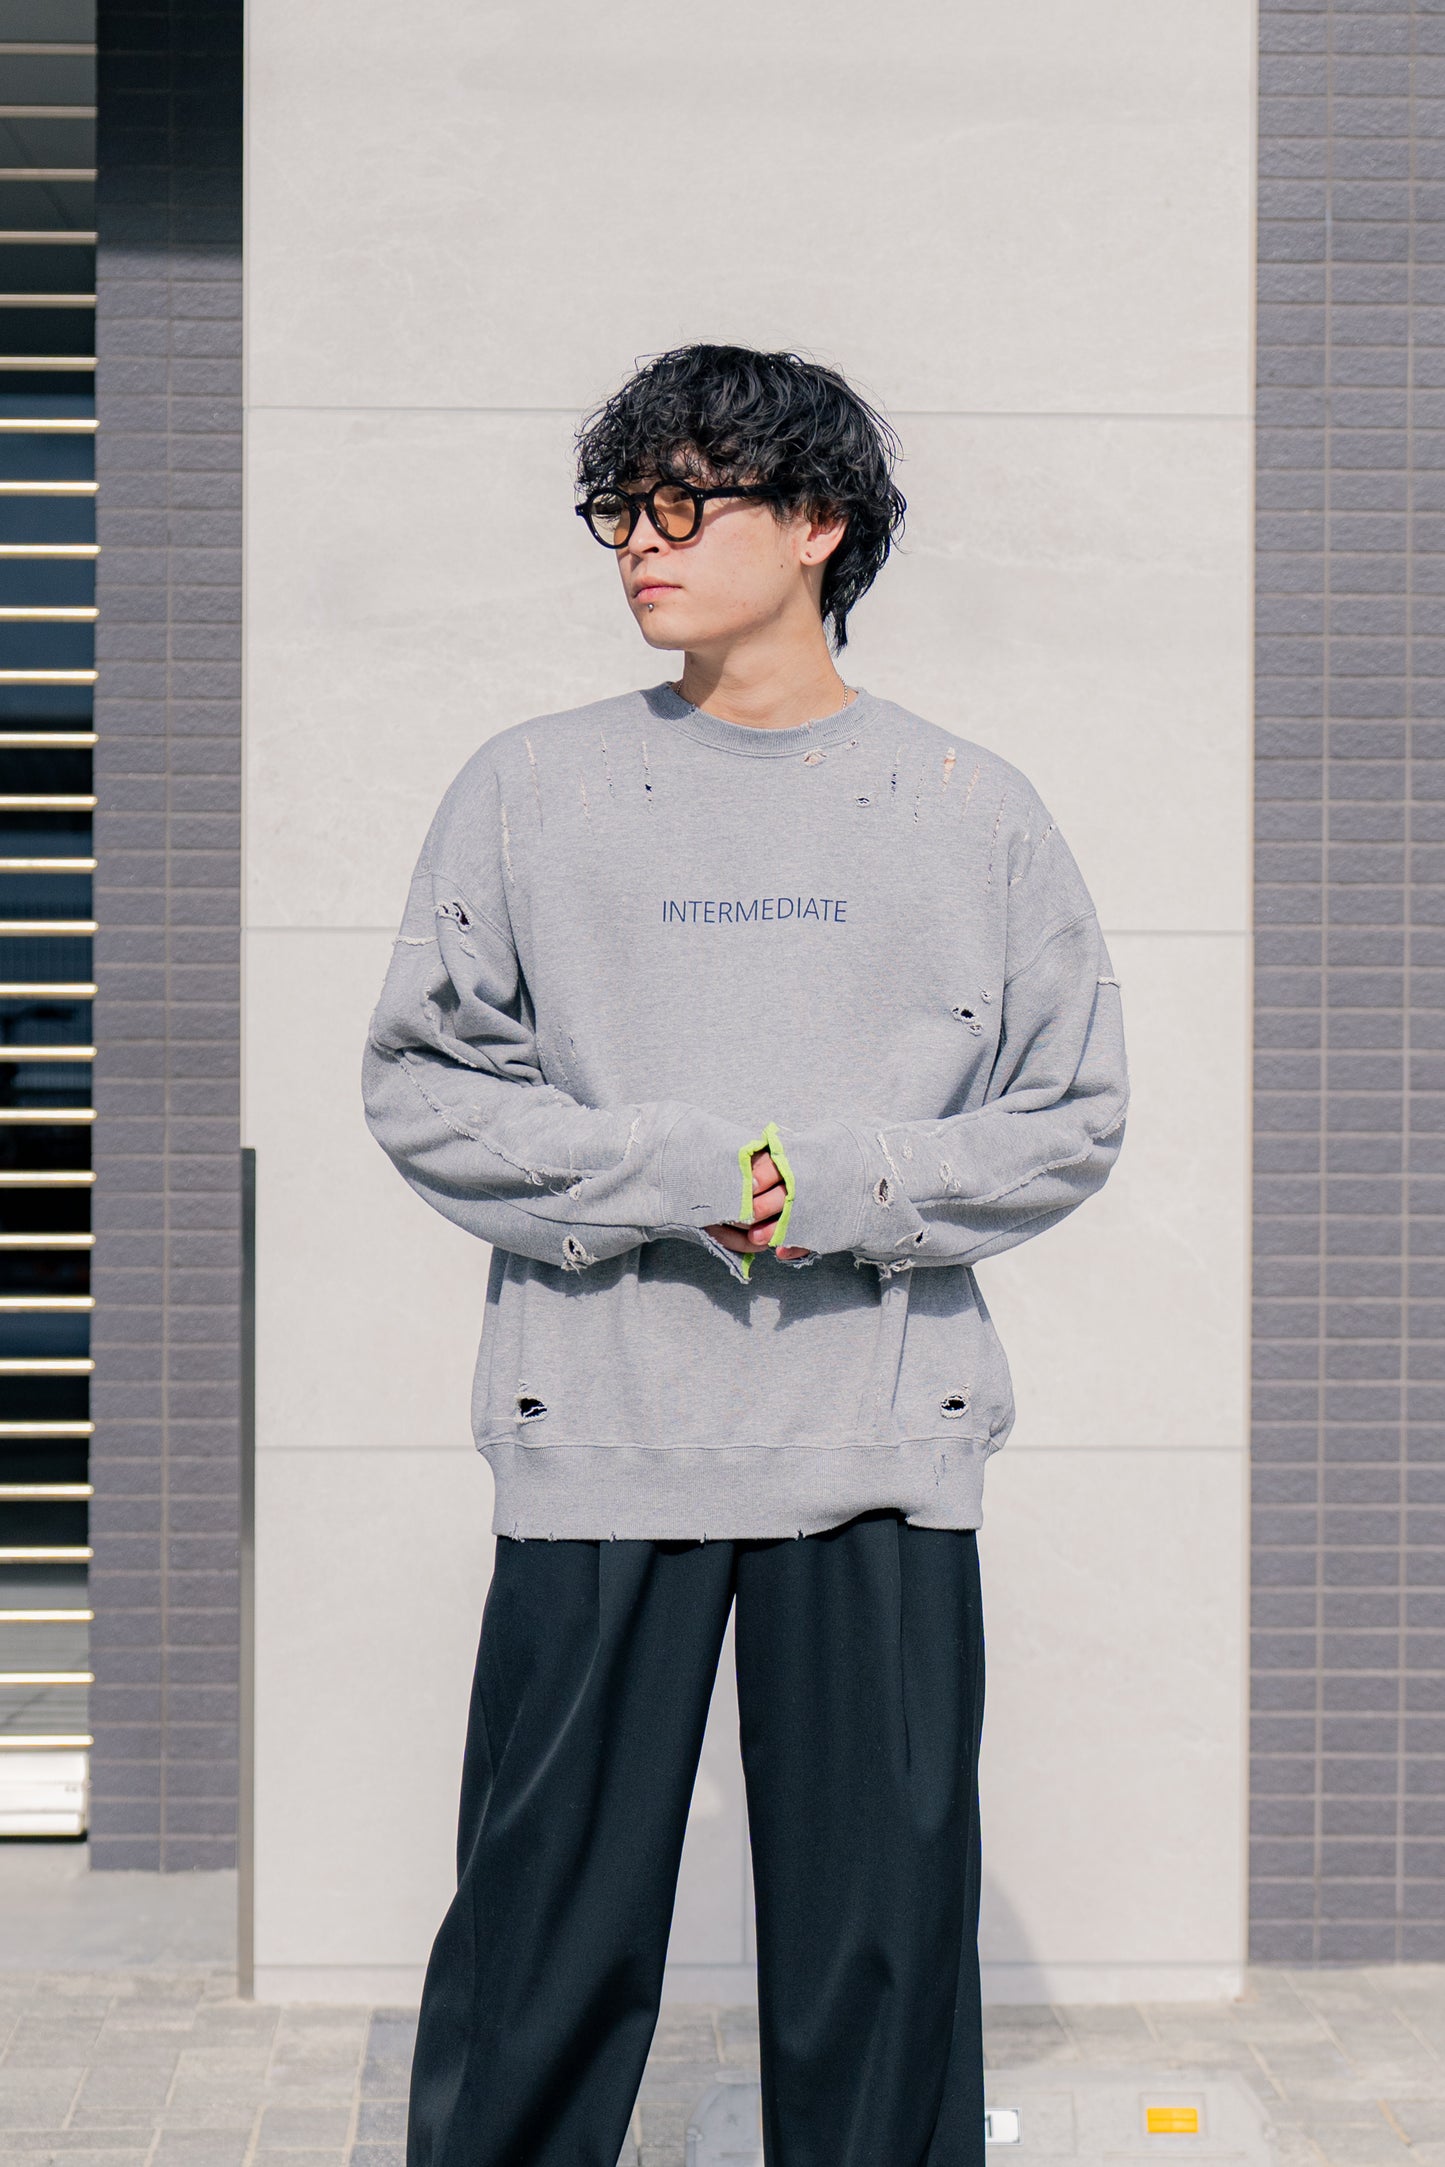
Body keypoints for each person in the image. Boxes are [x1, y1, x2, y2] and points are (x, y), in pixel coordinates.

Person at [361, 343, 1128, 2167]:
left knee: (878, 1965)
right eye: (618, 509)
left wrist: (821, 1189)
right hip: (595, 1438)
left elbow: (1069, 1117)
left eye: (680, 503)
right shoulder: (530, 788)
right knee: (540, 1951)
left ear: (816, 524)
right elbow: (422, 1086)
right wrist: (690, 1170)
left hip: (877, 1446)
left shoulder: (970, 806)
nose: (639, 540)